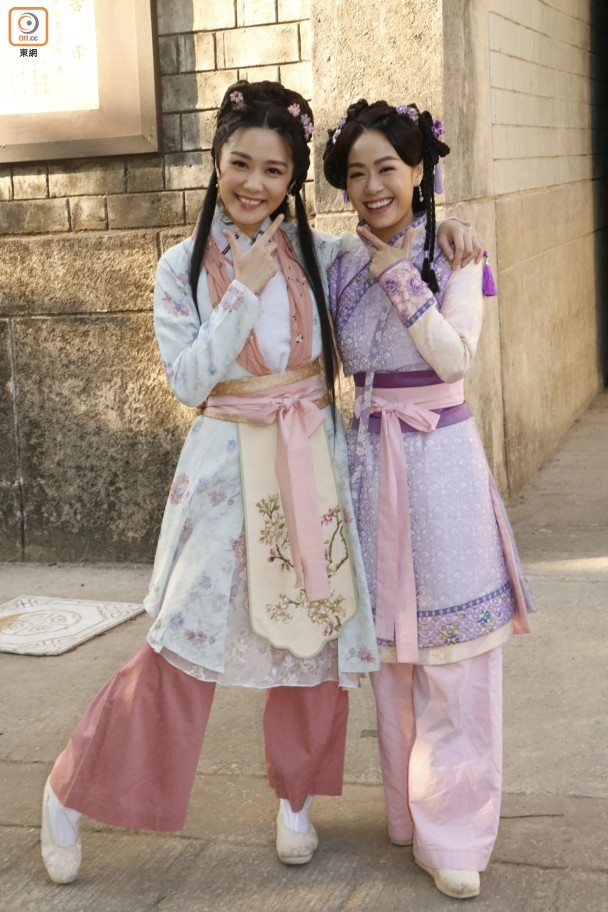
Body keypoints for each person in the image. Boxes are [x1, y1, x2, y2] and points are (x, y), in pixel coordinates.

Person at [40, 81, 481, 886]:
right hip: (222, 468)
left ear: (292, 180)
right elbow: (187, 379)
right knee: (179, 651)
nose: (254, 184)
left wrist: (448, 229)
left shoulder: (325, 256)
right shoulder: (179, 268)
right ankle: (70, 791)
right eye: (240, 164)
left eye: (275, 171)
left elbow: (397, 243)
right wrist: (240, 288)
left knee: (310, 649)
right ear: (216, 161)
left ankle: (296, 802)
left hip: (311, 466)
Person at [322, 99, 535, 900]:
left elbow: (454, 360)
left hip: (442, 462)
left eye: (388, 167)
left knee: (457, 656)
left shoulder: (457, 258)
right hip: (370, 462)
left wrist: (401, 276)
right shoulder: (336, 262)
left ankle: (458, 832)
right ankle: (410, 814)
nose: (373, 186)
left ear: (419, 170)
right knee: (392, 661)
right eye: (356, 173)